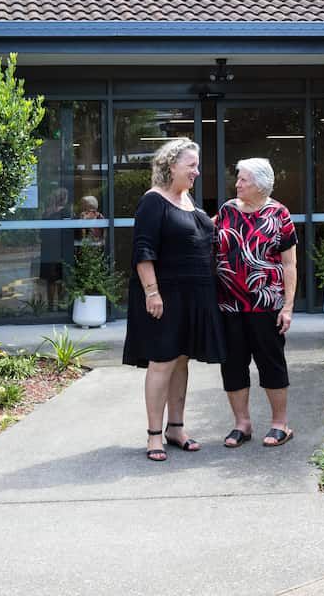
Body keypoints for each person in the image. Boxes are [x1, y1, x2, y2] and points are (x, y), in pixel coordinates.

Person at [123, 138, 225, 462]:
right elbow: (143, 251)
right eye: (191, 165)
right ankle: (154, 435)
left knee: (181, 360)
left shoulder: (187, 201)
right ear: (171, 166)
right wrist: (152, 293)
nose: (197, 171)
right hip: (165, 296)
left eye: (196, 165)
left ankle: (176, 428)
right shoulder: (153, 201)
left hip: (195, 294)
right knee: (162, 361)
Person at [214, 158, 298, 448]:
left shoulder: (279, 214)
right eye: (238, 178)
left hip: (267, 305)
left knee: (271, 363)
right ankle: (242, 424)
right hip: (229, 305)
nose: (237, 184)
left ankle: (280, 424)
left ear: (260, 185)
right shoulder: (226, 210)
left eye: (243, 180)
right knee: (233, 365)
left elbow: (289, 265)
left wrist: (287, 306)